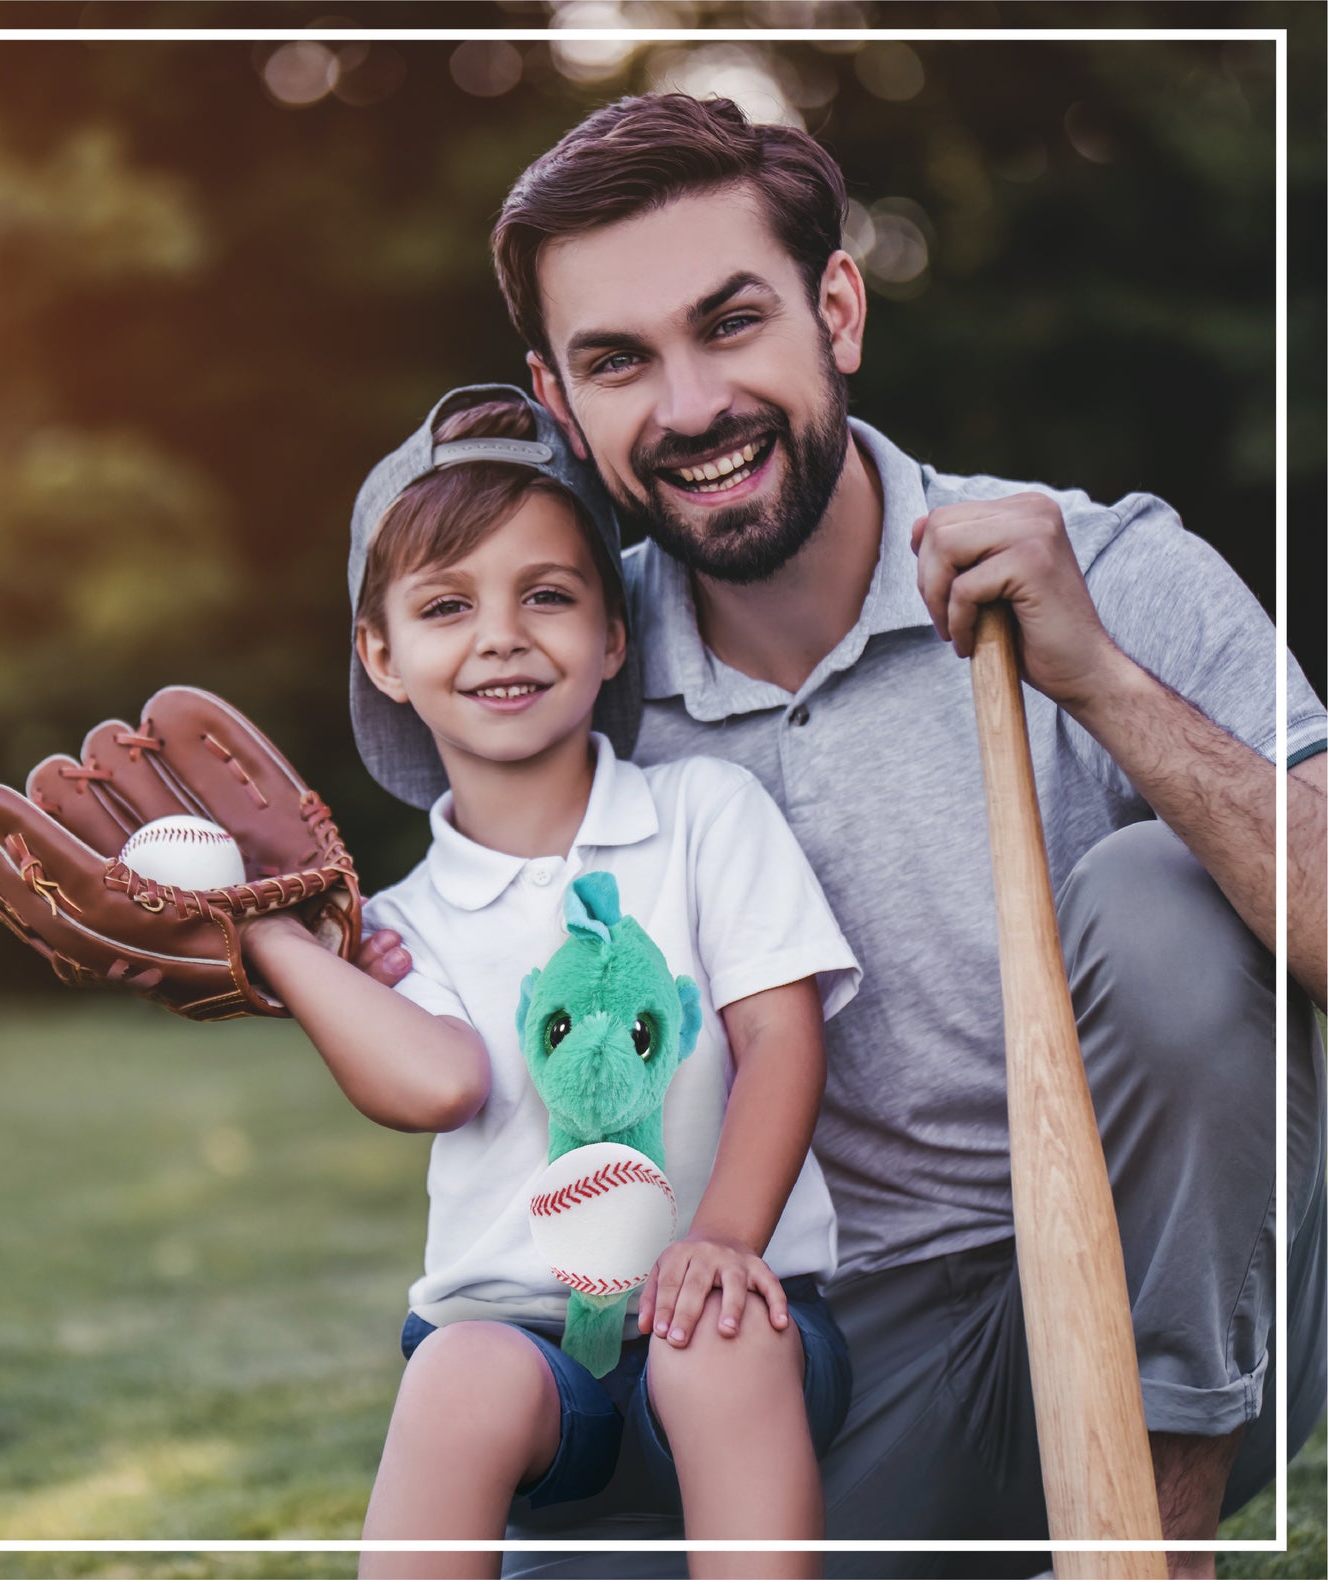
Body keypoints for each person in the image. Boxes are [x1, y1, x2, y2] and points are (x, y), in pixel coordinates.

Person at [359, 94, 1326, 1579]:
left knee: (1159, 900)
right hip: (809, 1351)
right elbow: (435, 916)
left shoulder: (1107, 565)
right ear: (560, 402)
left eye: (729, 323)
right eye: (620, 362)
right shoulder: (566, 662)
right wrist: (264, 944)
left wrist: (1103, 682)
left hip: (1169, 1304)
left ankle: (1147, 1554)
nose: (687, 408)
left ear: (837, 307)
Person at [247, 386, 861, 1580]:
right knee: (455, 1373)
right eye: (443, 605)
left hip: (740, 1317)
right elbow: (435, 1082)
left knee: (716, 1337)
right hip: (525, 1356)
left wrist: (723, 1237)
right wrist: (276, 940)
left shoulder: (701, 816)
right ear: (380, 653)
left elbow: (782, 1039)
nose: (500, 635)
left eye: (547, 594)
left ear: (612, 632)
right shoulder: (395, 925)